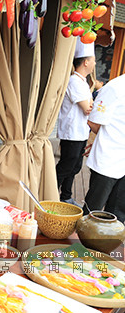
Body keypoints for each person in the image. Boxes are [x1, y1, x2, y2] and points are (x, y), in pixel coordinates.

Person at [55, 39, 95, 207]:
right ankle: (49, 193)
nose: (94, 63)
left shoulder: (82, 82)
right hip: (71, 133)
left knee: (75, 166)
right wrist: (94, 106)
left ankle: (66, 196)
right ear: (85, 62)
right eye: (93, 60)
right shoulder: (74, 81)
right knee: (66, 166)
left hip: (80, 132)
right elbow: (88, 108)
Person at [83, 73, 125, 222]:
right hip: (108, 158)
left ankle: (109, 245)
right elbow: (93, 121)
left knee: (118, 215)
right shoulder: (115, 88)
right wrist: (103, 139)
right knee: (92, 211)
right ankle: (80, 244)